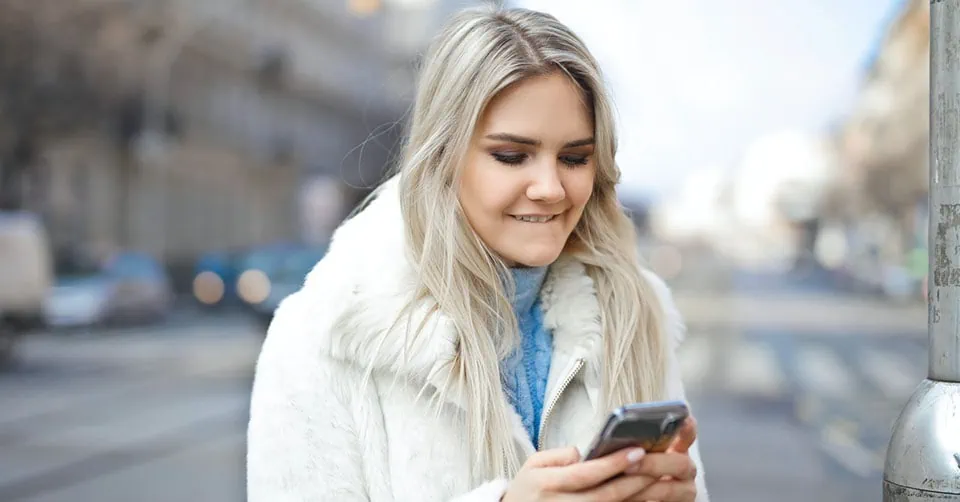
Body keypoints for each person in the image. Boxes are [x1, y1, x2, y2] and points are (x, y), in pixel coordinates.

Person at [247, 5, 708, 502]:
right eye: (511, 156)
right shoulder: (327, 332)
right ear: (444, 157)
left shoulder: (637, 311)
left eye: (575, 157)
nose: (551, 188)